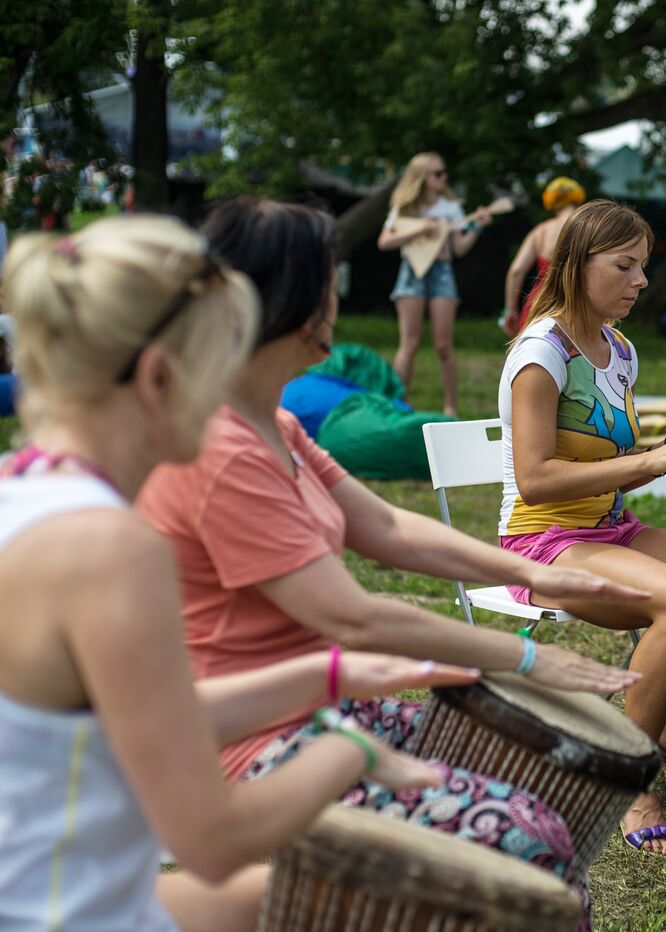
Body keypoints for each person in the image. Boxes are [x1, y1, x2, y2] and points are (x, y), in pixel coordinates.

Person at [136, 200, 644, 919]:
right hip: (253, 745)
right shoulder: (220, 450)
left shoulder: (272, 422)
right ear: (297, 300)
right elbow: (352, 615)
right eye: (330, 280)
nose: (340, 295)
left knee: (544, 815)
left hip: (325, 708)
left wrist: (530, 572)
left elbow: (386, 527)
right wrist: (526, 659)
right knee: (530, 840)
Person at [0, 215, 482, 929]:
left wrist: (323, 679)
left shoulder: (25, 488)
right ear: (163, 377)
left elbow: (132, 723)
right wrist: (350, 752)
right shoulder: (108, 548)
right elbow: (213, 840)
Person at [499, 200, 666, 855]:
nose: (641, 281)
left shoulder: (619, 349)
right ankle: (625, 778)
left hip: (611, 530)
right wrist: (653, 459)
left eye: (643, 267)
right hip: (544, 543)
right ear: (578, 266)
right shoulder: (541, 353)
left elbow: (614, 459)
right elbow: (536, 479)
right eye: (624, 266)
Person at [377, 151, 495, 418]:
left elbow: (459, 248)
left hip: (442, 272)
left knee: (443, 346)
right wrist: (421, 229)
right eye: (437, 173)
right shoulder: (405, 208)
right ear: (422, 177)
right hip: (412, 272)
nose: (444, 177)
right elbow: (384, 241)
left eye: (444, 173)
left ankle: (451, 408)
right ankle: (398, 404)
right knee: (409, 343)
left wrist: (476, 227)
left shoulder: (451, 208)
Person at [501, 176, 586, 337]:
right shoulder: (588, 228)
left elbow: (516, 270)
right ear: (578, 198)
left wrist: (509, 310)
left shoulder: (541, 231)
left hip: (541, 303)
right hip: (577, 302)